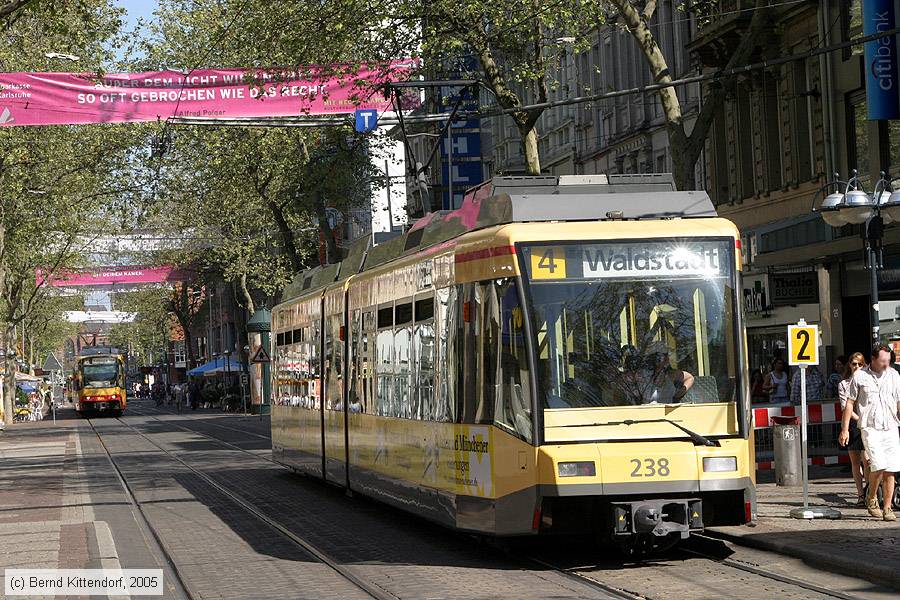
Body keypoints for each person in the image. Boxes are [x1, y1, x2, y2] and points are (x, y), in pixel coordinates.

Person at [839, 344, 900, 521]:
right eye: (882, 361)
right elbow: (849, 403)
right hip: (869, 426)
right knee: (878, 465)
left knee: (891, 469)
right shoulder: (859, 376)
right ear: (873, 360)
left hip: (890, 426)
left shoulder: (894, 375)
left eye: (888, 361)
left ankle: (887, 508)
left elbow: (898, 402)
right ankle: (871, 496)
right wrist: (845, 430)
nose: (886, 364)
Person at [837, 352, 868, 506]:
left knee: (867, 460)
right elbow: (845, 406)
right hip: (853, 424)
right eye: (854, 363)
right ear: (849, 365)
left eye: (860, 364)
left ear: (865, 365)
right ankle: (861, 494)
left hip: (868, 424)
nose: (856, 367)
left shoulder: (869, 381)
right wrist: (858, 421)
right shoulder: (844, 384)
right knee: (856, 462)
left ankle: (870, 492)